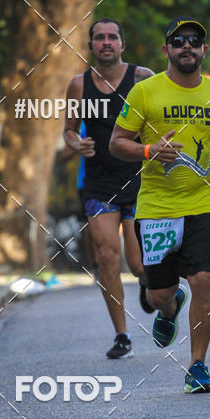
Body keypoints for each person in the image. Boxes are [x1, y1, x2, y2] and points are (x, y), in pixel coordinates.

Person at [109, 17, 210, 393]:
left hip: (204, 201)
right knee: (159, 295)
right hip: (156, 207)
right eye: (178, 41)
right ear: (166, 49)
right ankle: (170, 306)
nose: (187, 46)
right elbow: (116, 143)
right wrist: (148, 150)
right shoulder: (145, 93)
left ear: (204, 51)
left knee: (204, 278)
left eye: (195, 41)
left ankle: (198, 366)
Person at [63, 18, 155, 359]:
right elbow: (69, 130)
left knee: (137, 263)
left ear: (122, 44)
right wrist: (77, 144)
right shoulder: (78, 85)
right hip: (99, 183)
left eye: (112, 37)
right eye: (99, 37)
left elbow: (161, 117)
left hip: (138, 178)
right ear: (90, 45)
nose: (106, 42)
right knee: (106, 257)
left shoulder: (143, 78)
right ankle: (122, 335)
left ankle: (151, 288)